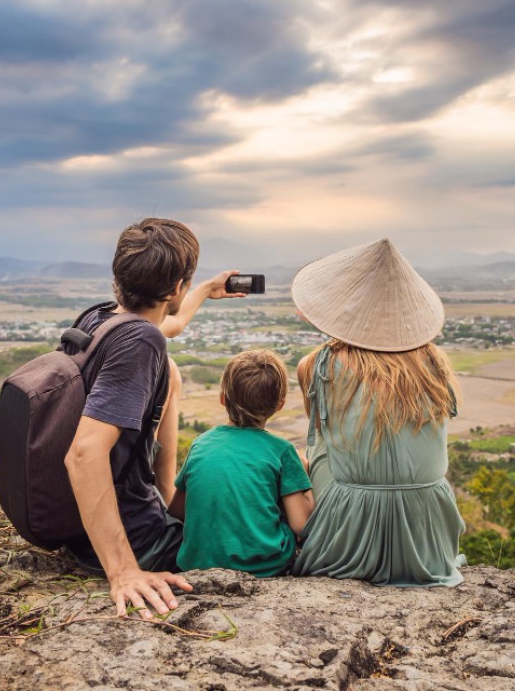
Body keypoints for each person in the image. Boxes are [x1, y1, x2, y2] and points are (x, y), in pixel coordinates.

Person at [63, 217, 243, 618]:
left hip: (77, 527)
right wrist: (124, 572)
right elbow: (83, 454)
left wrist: (207, 291)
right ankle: (153, 525)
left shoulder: (100, 319)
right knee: (253, 539)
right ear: (174, 287)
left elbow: (168, 326)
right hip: (133, 539)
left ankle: (163, 500)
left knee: (171, 373)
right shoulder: (142, 341)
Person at [291, 239, 465, 586]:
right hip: (427, 536)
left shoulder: (316, 366)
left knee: (300, 456)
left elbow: (325, 443)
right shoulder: (436, 364)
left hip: (346, 535)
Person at [167, 350, 313, 576]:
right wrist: (304, 478)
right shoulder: (283, 451)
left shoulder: (200, 444)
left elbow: (177, 509)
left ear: (223, 398)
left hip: (197, 565)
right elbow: (301, 524)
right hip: (265, 567)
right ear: (280, 404)